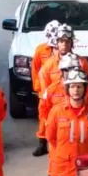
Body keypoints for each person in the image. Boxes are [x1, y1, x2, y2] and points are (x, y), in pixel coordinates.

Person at [32, 20, 62, 157]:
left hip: (60, 92)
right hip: (45, 91)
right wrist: (38, 88)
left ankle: (60, 141)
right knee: (43, 116)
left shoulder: (65, 49)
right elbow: (35, 69)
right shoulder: (40, 50)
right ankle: (42, 143)